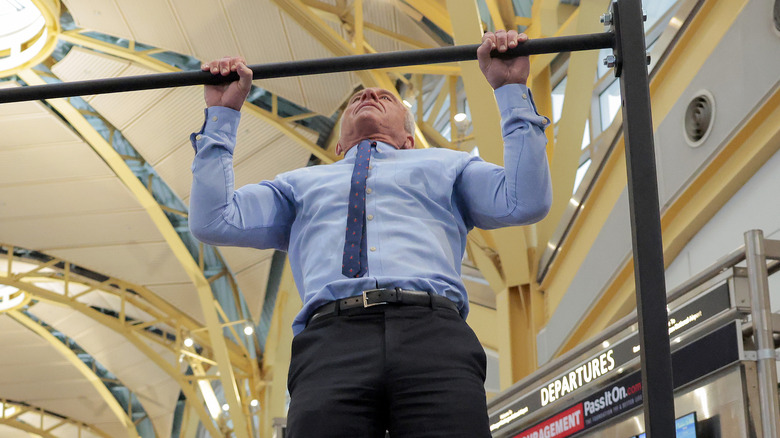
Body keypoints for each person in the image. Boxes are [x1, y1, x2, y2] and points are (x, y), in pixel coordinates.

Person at [190, 29, 551, 438]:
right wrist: (221, 117)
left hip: (432, 335)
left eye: (387, 97)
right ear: (339, 145)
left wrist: (510, 90)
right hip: (331, 343)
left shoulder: (447, 165)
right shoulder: (297, 184)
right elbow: (213, 219)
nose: (369, 95)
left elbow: (525, 201)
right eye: (357, 98)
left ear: (409, 140)